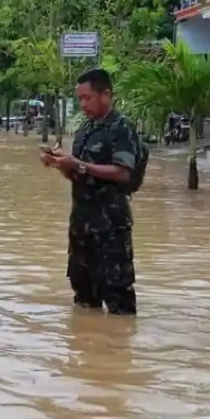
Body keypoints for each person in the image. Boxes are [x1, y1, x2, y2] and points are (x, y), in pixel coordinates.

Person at [40, 68, 139, 316]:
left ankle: (117, 341)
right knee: (84, 300)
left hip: (110, 228)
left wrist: (79, 165)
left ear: (106, 94)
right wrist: (60, 164)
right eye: (80, 99)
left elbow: (123, 172)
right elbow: (77, 175)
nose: (83, 104)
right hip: (81, 227)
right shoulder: (84, 130)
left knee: (119, 302)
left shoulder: (121, 128)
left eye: (87, 98)